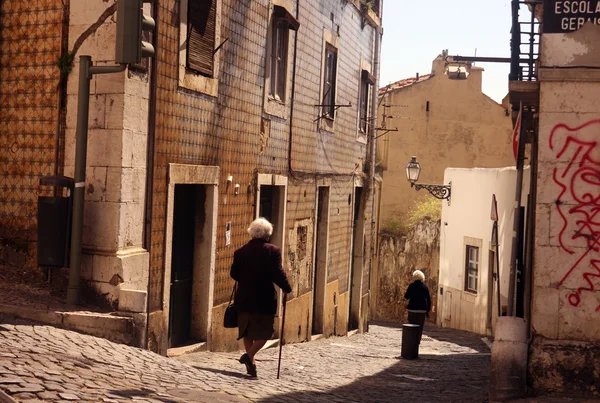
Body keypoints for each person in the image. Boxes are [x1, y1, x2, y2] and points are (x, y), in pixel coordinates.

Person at [230, 217, 292, 378]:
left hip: (244, 298)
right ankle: (249, 356)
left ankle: (251, 362)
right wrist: (286, 288)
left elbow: (234, 274)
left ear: (252, 233)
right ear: (267, 234)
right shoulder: (273, 251)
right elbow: (277, 273)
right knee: (266, 333)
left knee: (247, 332)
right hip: (264, 299)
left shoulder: (240, 252)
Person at [404, 269, 431, 344]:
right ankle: (417, 341)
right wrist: (428, 309)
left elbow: (406, 296)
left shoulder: (411, 286)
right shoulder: (425, 287)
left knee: (411, 326)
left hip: (412, 309)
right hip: (422, 310)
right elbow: (428, 299)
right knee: (420, 327)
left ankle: (411, 341)